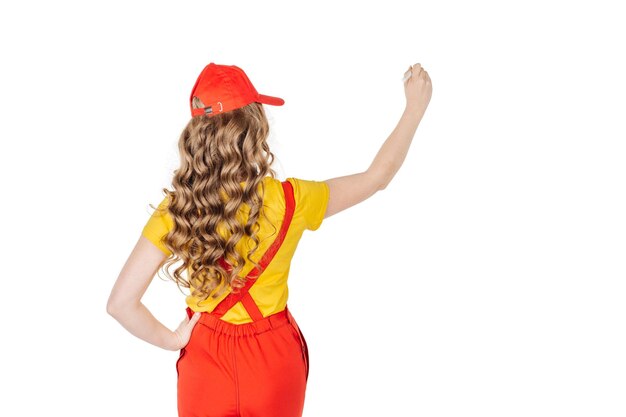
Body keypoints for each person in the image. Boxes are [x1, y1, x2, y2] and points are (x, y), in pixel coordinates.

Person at [107, 61, 432, 417]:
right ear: (253, 129)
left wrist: (173, 339)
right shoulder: (289, 200)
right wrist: (414, 108)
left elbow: (121, 303)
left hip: (204, 359)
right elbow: (376, 178)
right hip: (273, 360)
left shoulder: (178, 209)